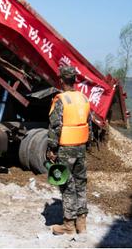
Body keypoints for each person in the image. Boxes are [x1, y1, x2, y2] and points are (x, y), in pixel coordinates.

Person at [47, 65, 90, 238]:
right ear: (75, 80)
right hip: (81, 148)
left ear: (62, 80)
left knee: (66, 186)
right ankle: (82, 224)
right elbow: (89, 125)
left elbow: (55, 127)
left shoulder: (61, 100)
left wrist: (51, 149)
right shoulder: (83, 98)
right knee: (80, 184)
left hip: (66, 149)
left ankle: (68, 226)